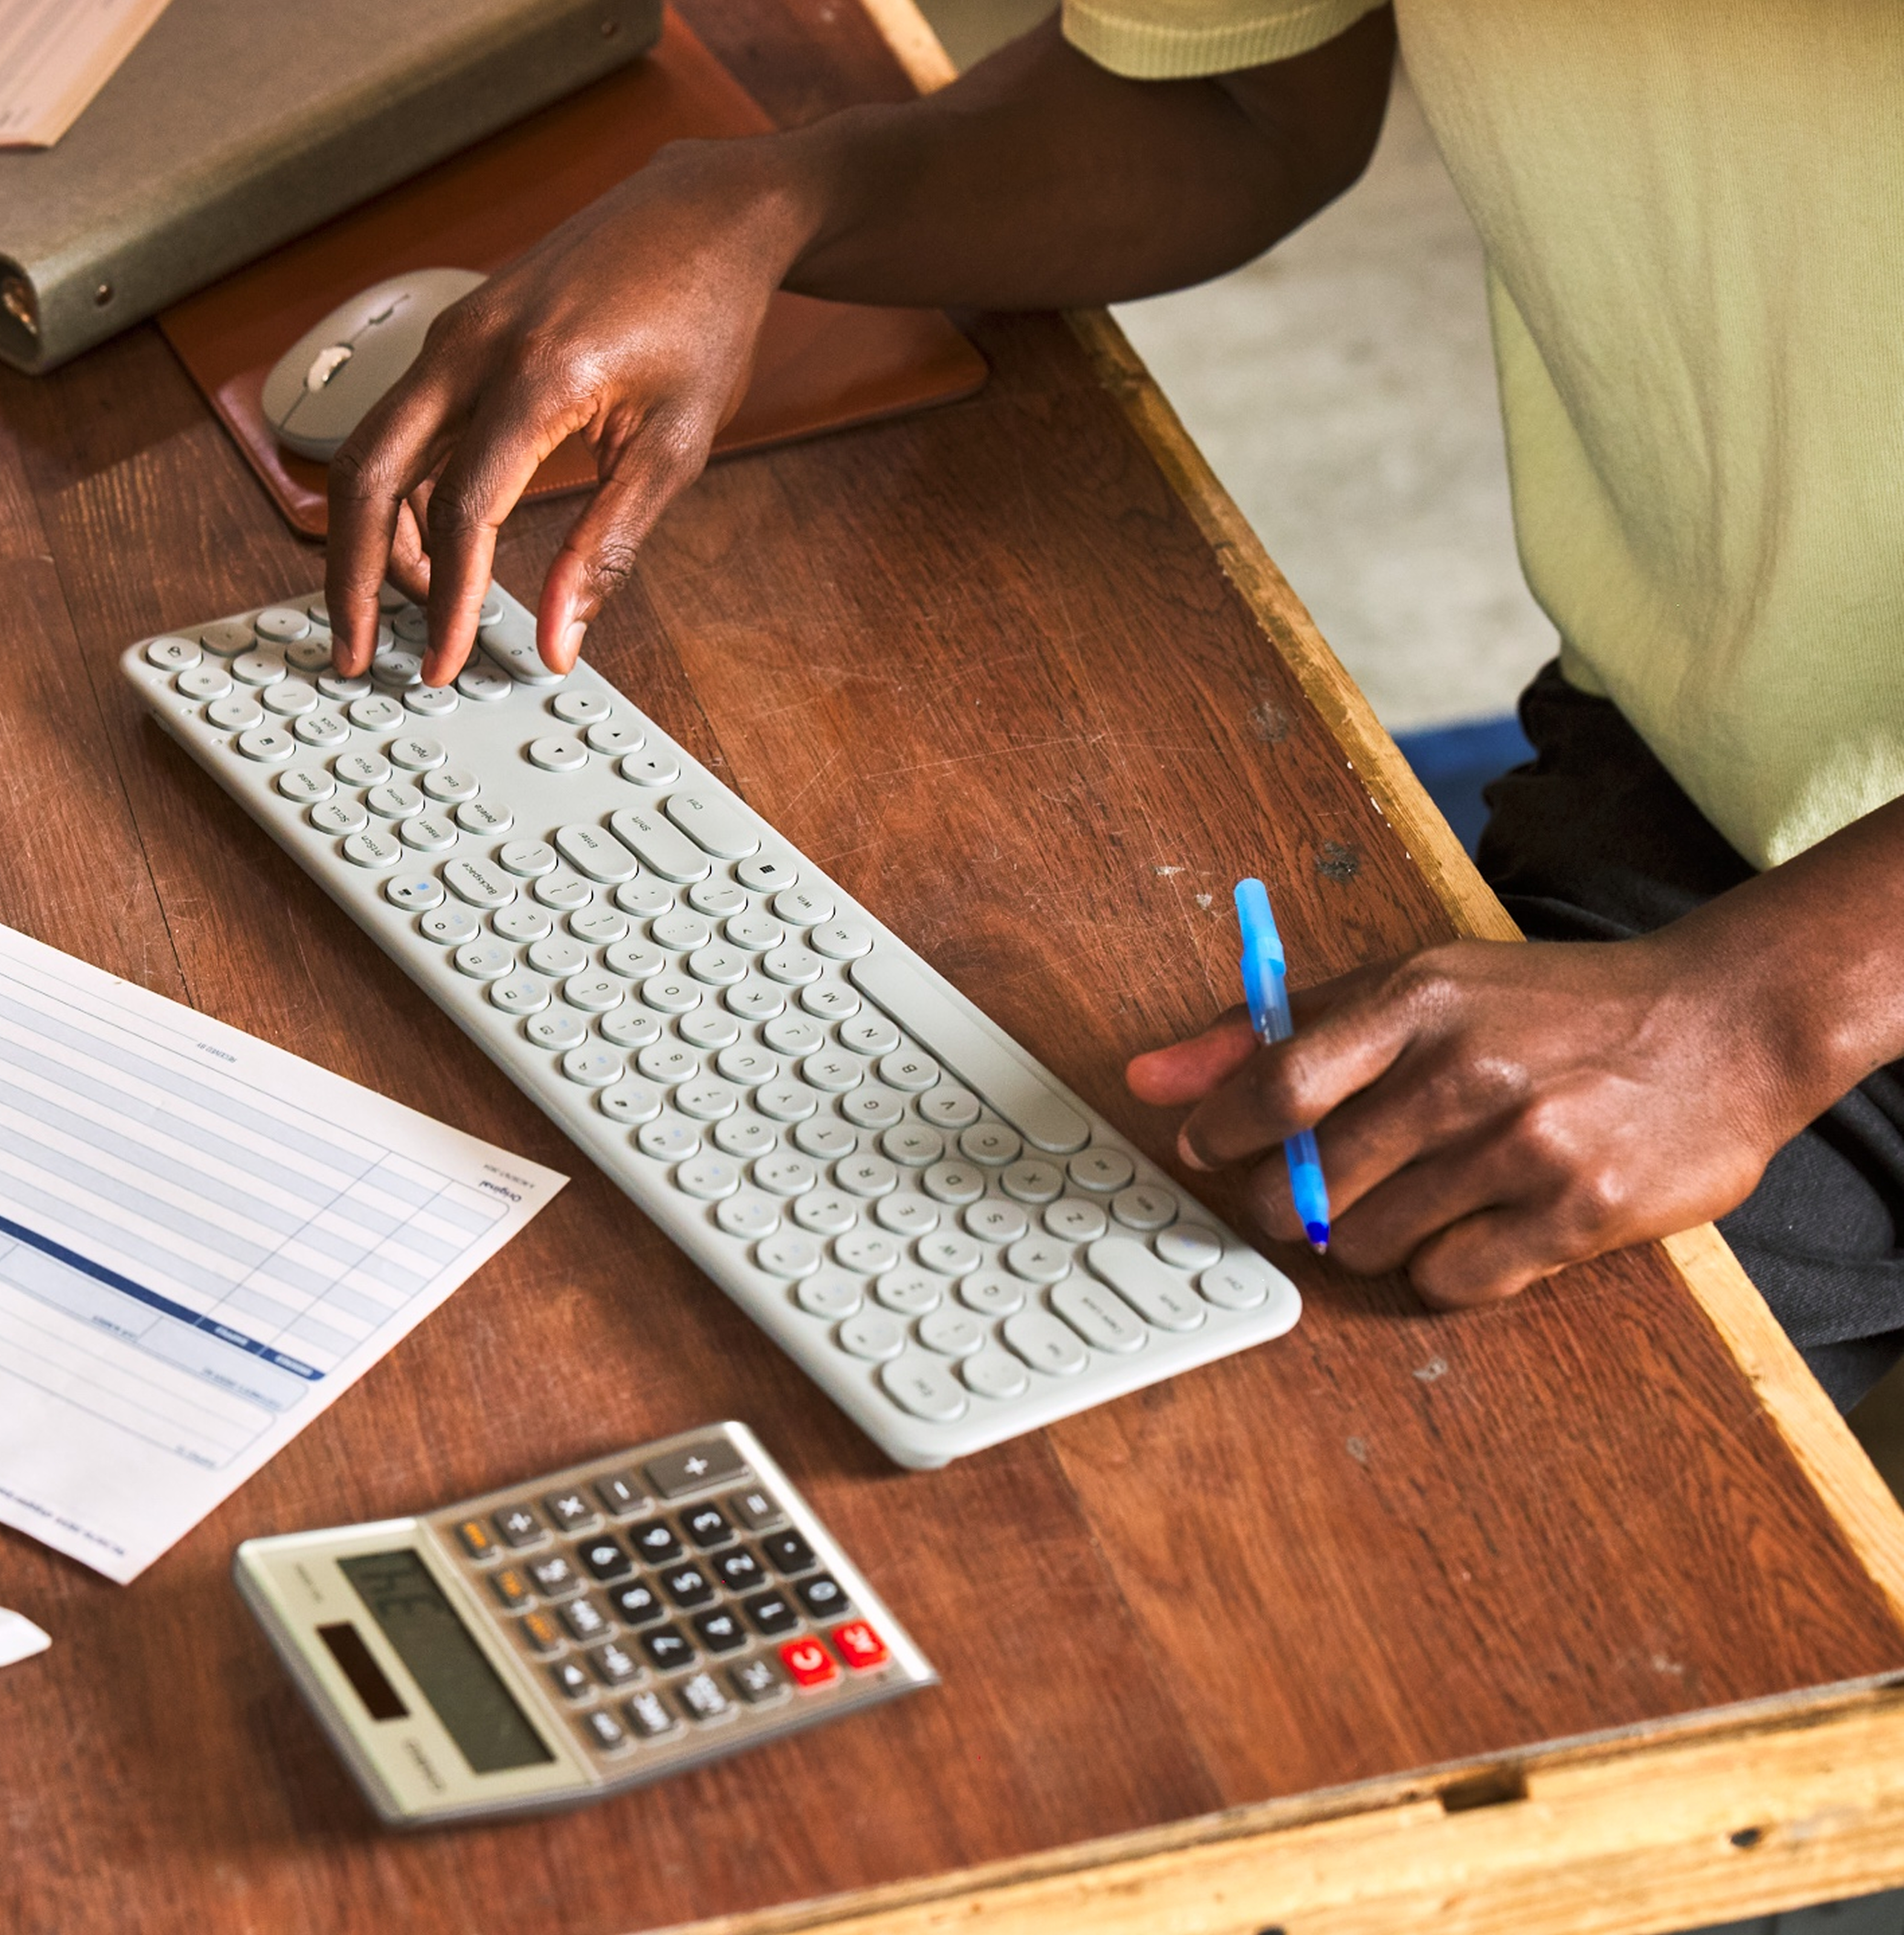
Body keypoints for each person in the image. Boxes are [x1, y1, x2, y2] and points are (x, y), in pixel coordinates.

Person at [320, 3, 1904, 1404]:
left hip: (1849, 927)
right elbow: (1231, 101)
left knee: (1462, 1449)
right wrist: (767, 199)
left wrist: (1757, 1016)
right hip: (1707, 744)